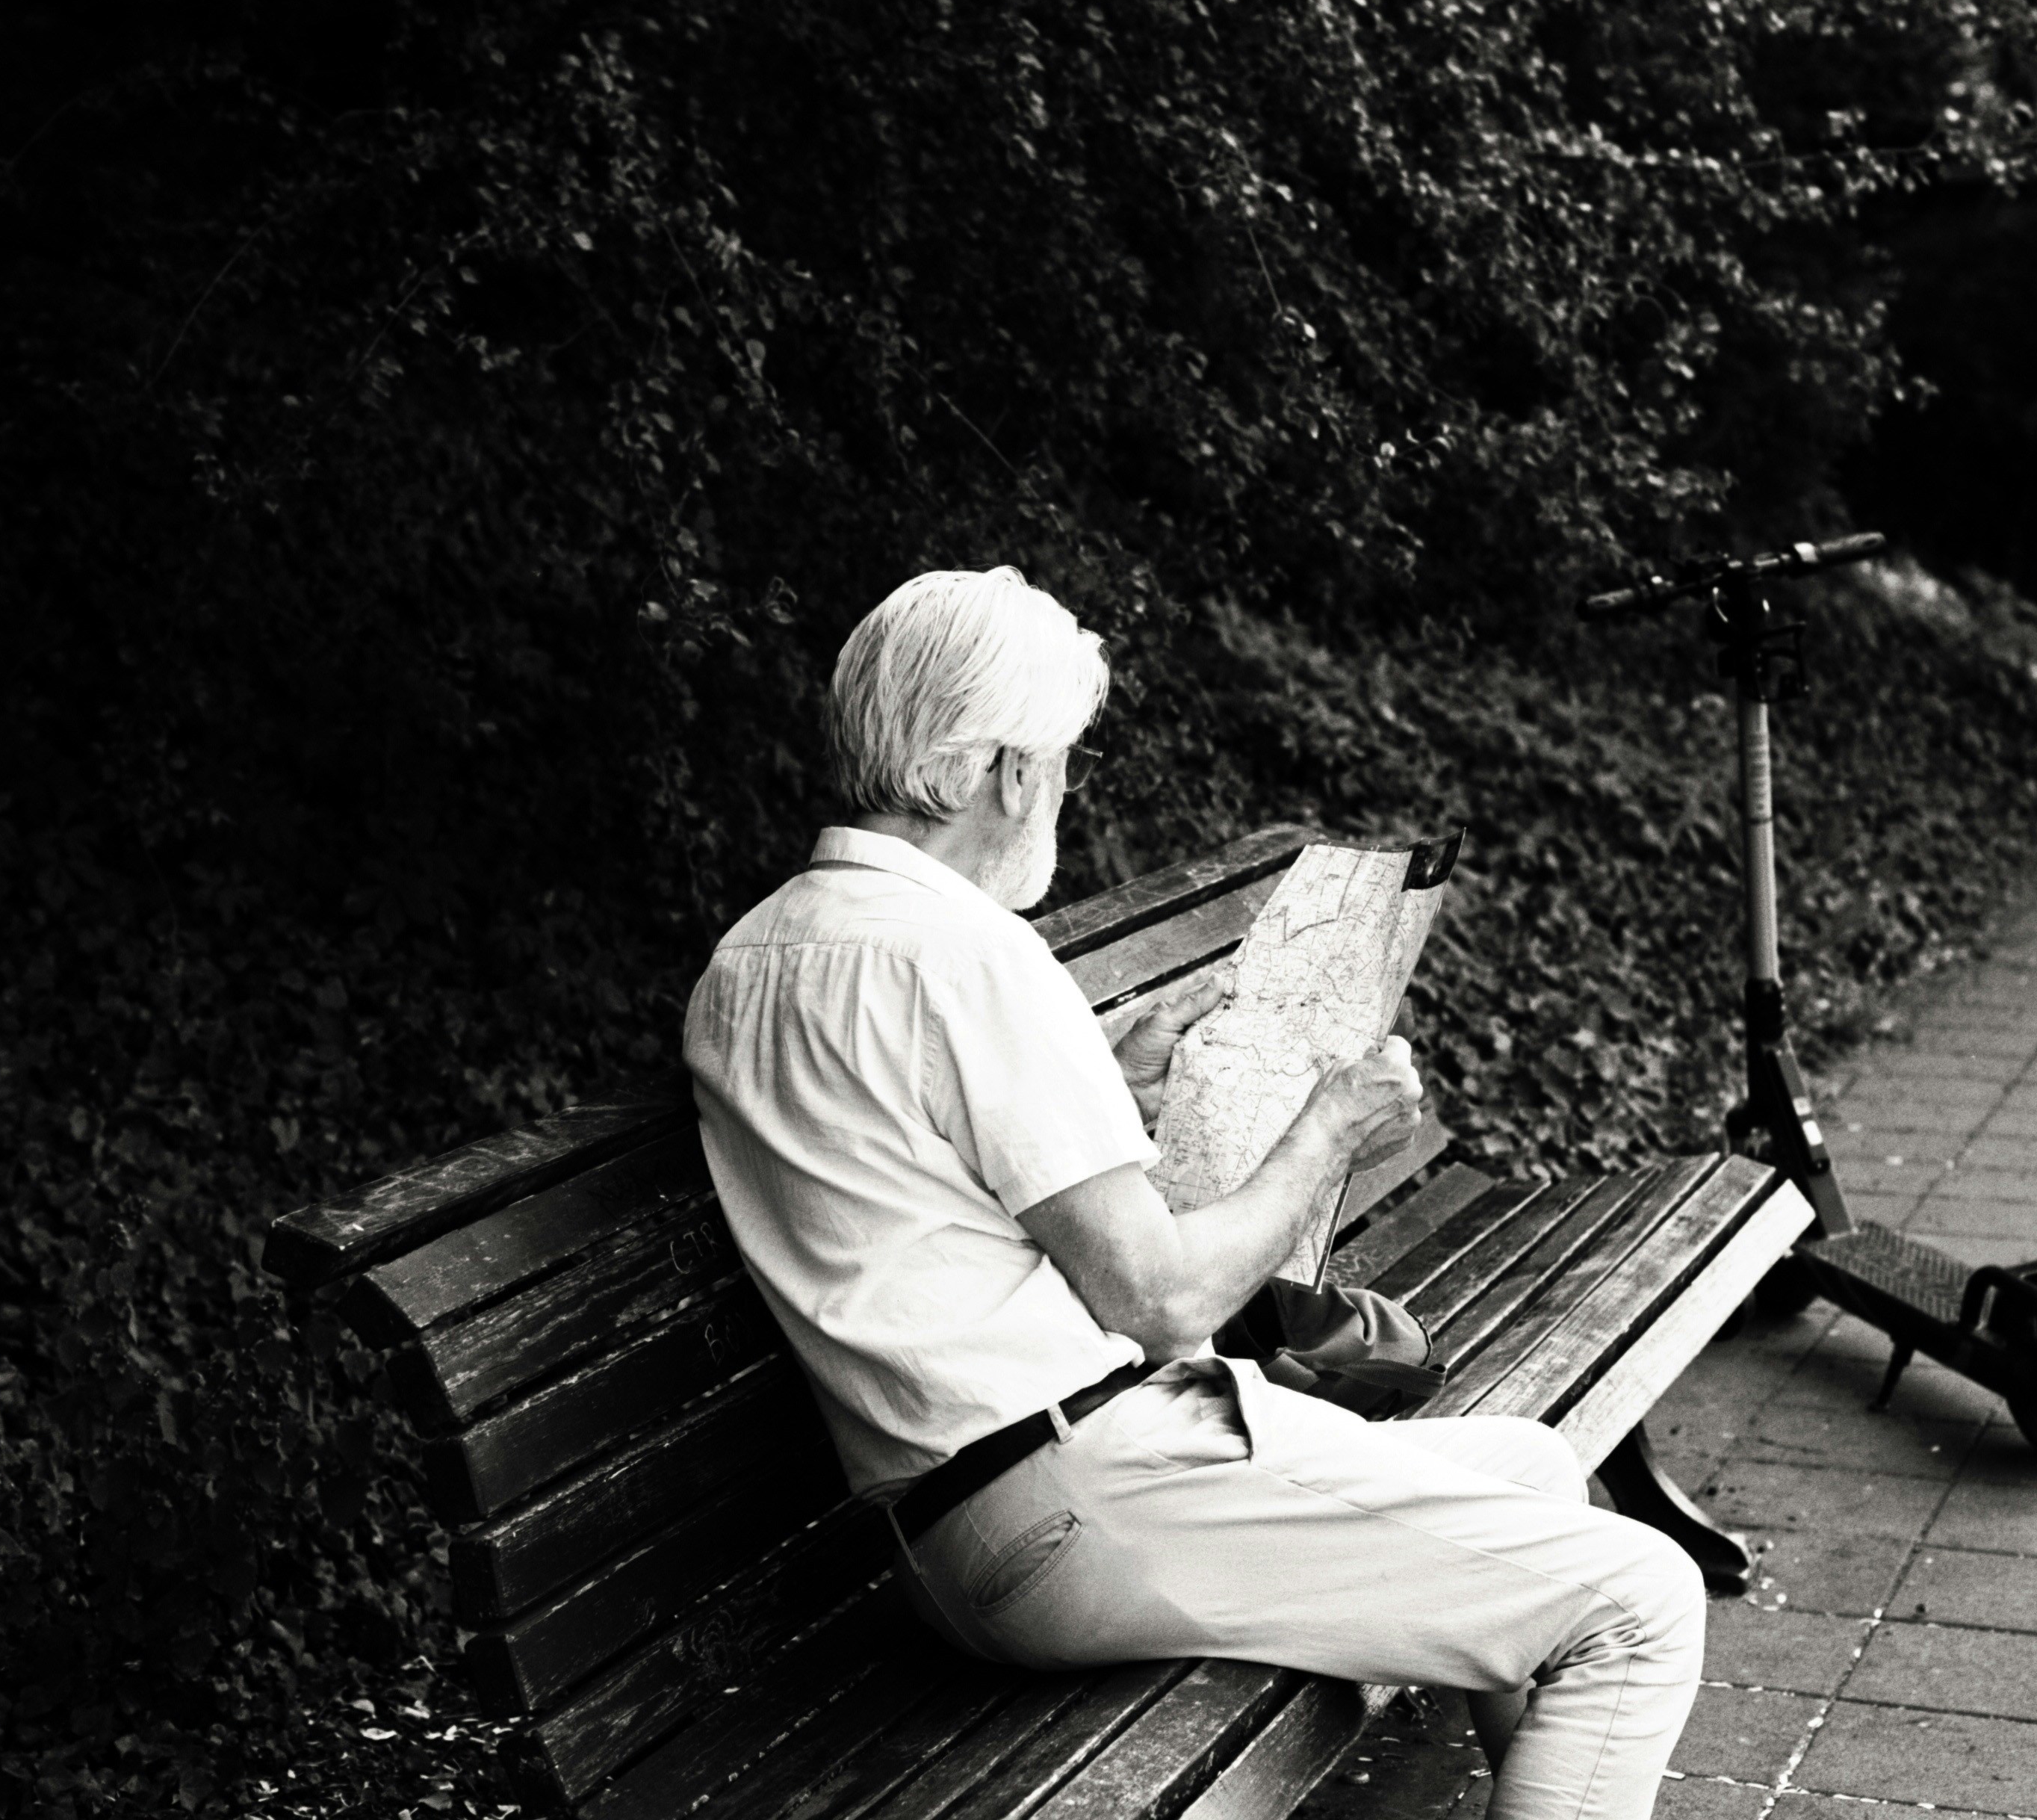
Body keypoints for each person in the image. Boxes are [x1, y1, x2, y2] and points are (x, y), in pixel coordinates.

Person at [686, 567, 1707, 1820]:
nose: (1061, 787)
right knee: (1643, 1599)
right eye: (1062, 759)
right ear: (1009, 769)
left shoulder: (752, 956)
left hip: (960, 1523)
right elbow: (1164, 1298)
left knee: (1536, 1466)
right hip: (1079, 1499)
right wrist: (1324, 1133)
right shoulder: (963, 954)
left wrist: (1096, 1076)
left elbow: (898, 1164)